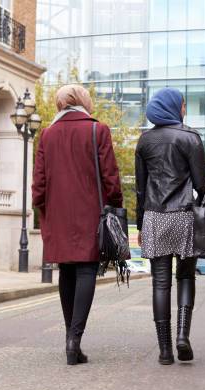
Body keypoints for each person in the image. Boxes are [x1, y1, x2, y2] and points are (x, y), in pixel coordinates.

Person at [32, 84, 123, 365]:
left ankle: (70, 339)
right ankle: (75, 340)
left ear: (60, 105)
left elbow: (38, 183)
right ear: (84, 102)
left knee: (66, 271)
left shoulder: (47, 134)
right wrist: (115, 204)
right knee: (86, 270)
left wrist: (44, 209)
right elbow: (110, 177)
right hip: (90, 212)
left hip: (57, 213)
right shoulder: (98, 130)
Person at [135, 88, 205, 365]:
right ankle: (182, 337)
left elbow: (141, 189)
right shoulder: (190, 137)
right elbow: (201, 186)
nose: (185, 108)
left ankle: (164, 350)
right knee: (186, 277)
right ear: (176, 107)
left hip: (154, 216)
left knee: (160, 283)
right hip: (185, 215)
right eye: (183, 104)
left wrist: (141, 223)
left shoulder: (145, 141)